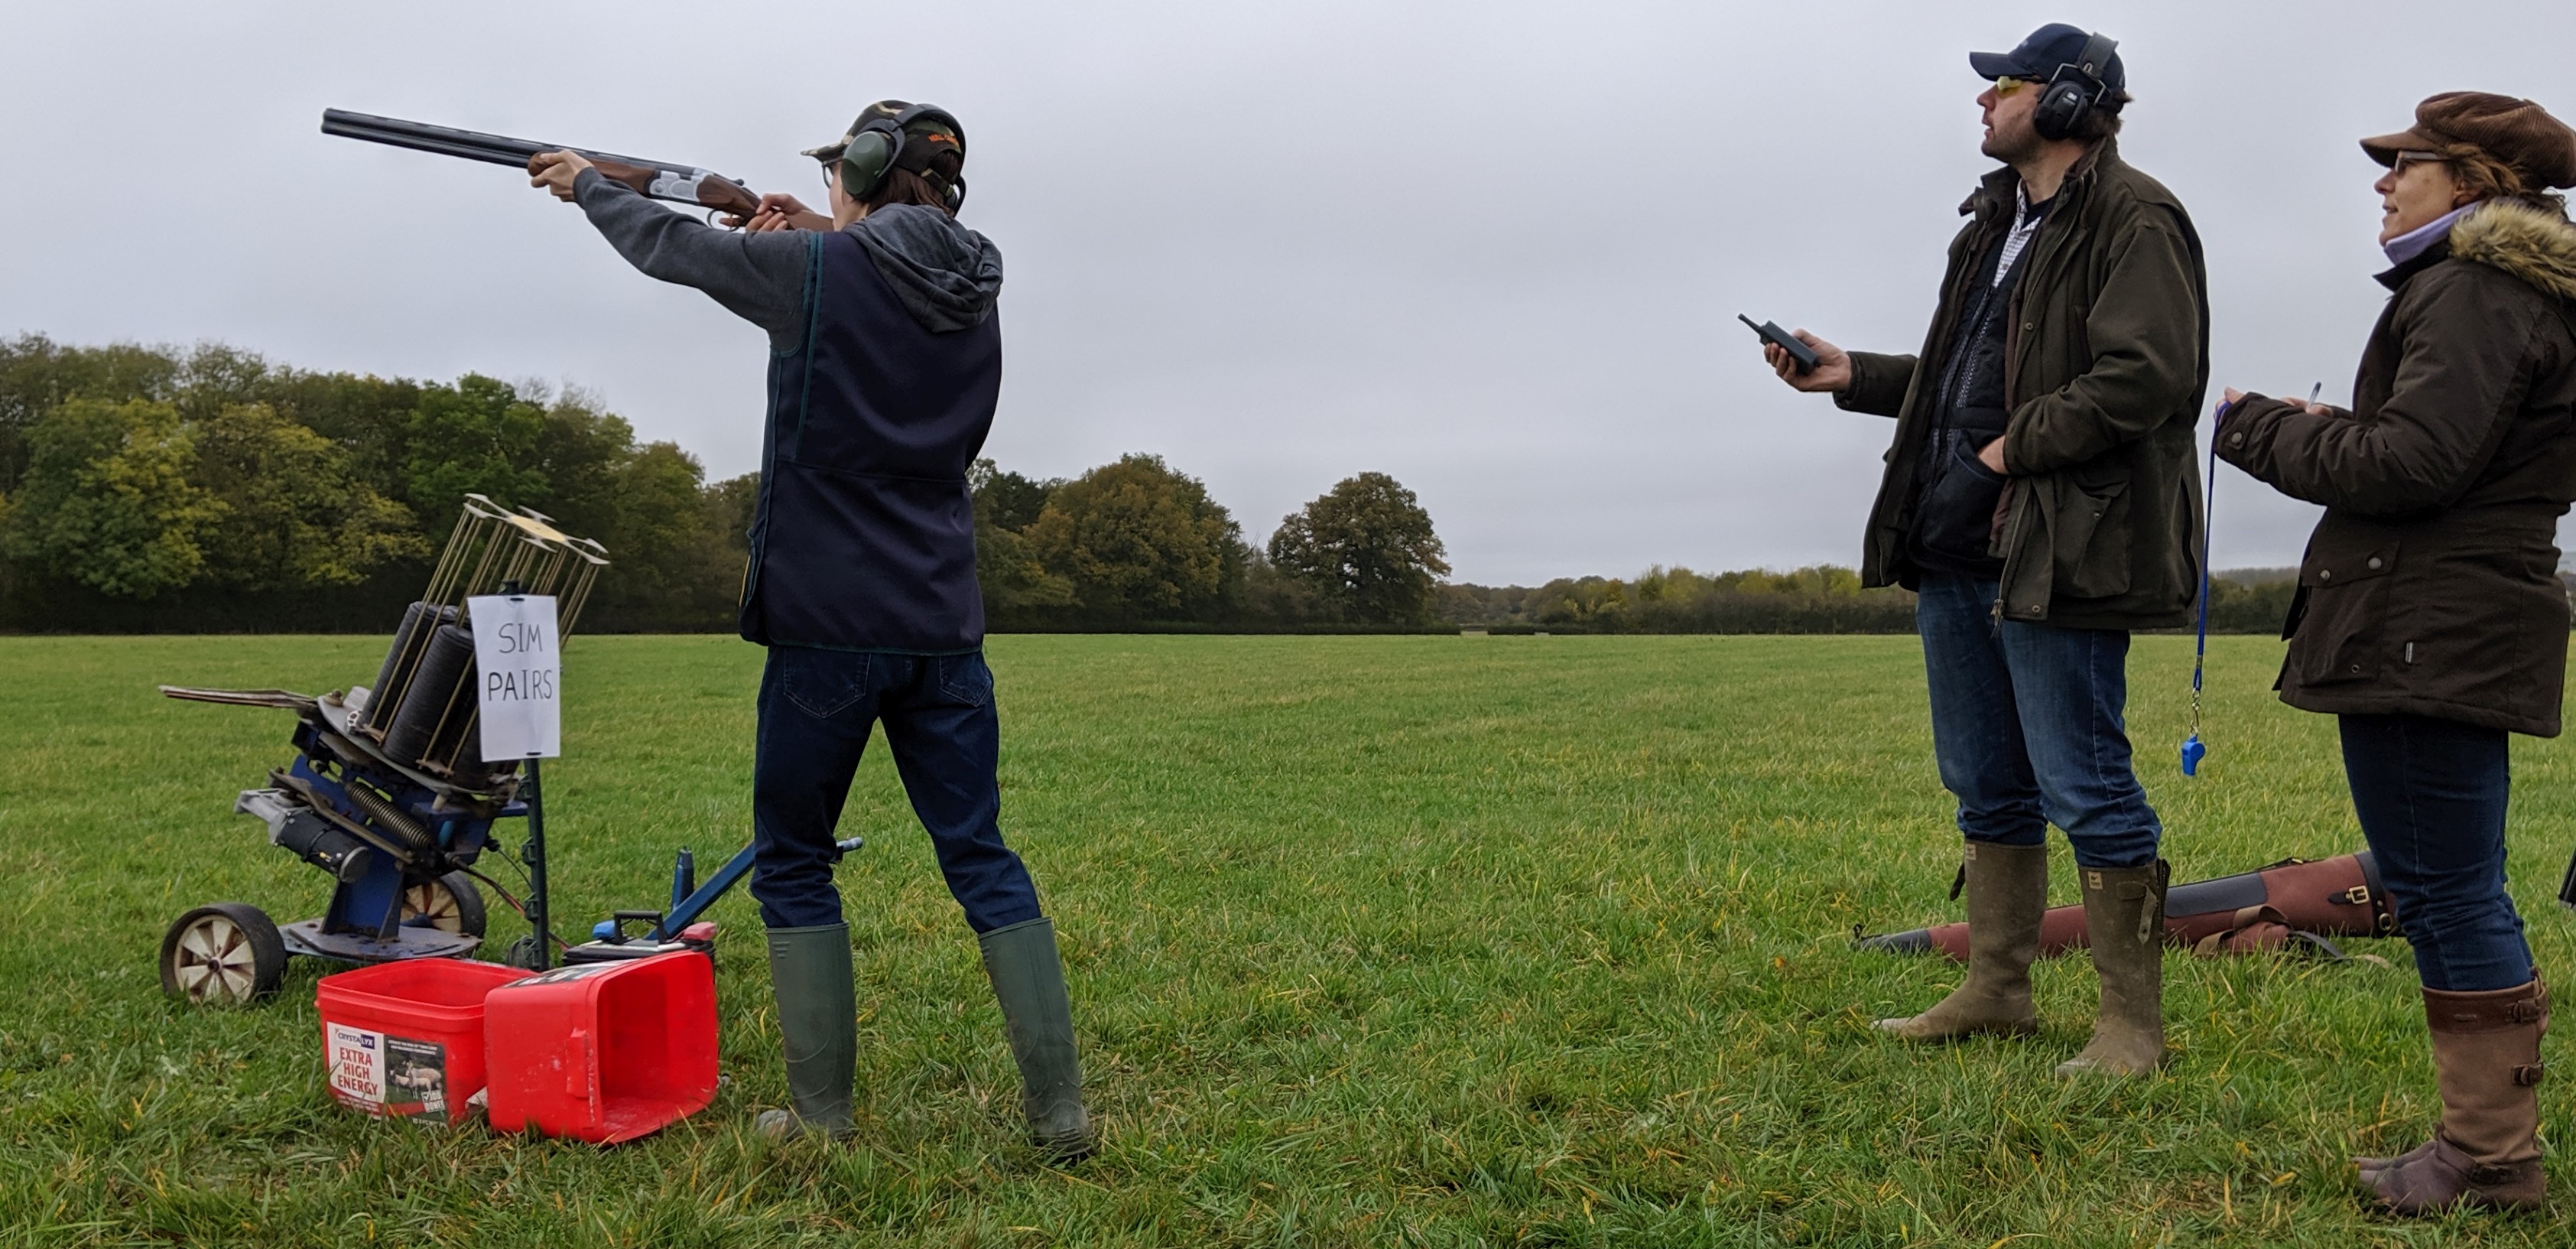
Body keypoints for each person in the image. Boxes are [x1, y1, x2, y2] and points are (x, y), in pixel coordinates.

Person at [525, 102, 1093, 1161]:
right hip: (942, 622)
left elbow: (674, 248)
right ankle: (1059, 1111)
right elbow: (887, 280)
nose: (828, 182)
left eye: (837, 169)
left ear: (865, 171)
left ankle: (822, 1120)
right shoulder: (972, 291)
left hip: (826, 620)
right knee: (980, 855)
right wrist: (819, 237)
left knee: (792, 859)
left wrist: (589, 187)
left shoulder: (819, 276)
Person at [1759, 24, 2208, 1076]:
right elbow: (1961, 376)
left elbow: (2148, 375)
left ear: (2061, 101)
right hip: (1958, 544)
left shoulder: (2135, 218)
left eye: (1998, 85)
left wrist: (2023, 443)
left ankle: (2128, 1026)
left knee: (2087, 783)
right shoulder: (1994, 222)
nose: (1980, 103)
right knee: (1985, 785)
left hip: (2062, 547)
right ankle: (1997, 988)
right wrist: (1850, 373)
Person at [2216, 92, 2576, 1214]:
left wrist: (2262, 426)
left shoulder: (2471, 288)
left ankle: (2485, 1160)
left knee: (2448, 889)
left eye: (2401, 163)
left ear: (2467, 183)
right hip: (2442, 623)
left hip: (2427, 629)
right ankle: (2487, 1153)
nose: (2381, 180)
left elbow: (2413, 465)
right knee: (2447, 882)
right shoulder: (2499, 291)